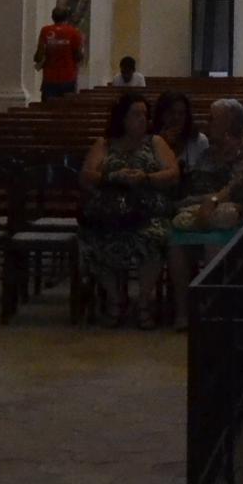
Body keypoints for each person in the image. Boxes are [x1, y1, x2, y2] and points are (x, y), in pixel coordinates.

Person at [165, 96, 243, 330]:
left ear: (229, 124)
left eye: (213, 119)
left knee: (213, 245)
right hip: (202, 217)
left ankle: (212, 312)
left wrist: (210, 201)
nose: (206, 123)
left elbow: (235, 189)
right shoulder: (207, 154)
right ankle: (184, 312)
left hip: (238, 224)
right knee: (175, 244)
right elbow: (193, 187)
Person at [78, 90, 178, 326]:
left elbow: (173, 174)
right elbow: (86, 175)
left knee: (153, 237)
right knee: (94, 238)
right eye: (136, 114)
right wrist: (113, 176)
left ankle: (144, 301)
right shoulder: (105, 143)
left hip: (148, 211)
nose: (142, 119)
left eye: (145, 114)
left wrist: (146, 177)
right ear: (122, 118)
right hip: (110, 212)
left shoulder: (155, 142)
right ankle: (116, 299)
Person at [151, 88, 207, 182]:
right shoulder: (150, 141)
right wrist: (163, 144)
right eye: (171, 112)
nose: (176, 117)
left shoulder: (199, 140)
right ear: (161, 114)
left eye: (181, 113)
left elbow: (205, 177)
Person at [32, 5, 83, 101]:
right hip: (68, 76)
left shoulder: (45, 31)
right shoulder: (74, 32)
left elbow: (39, 55)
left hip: (49, 77)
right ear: (67, 17)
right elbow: (78, 56)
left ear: (52, 17)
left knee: (48, 108)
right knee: (66, 109)